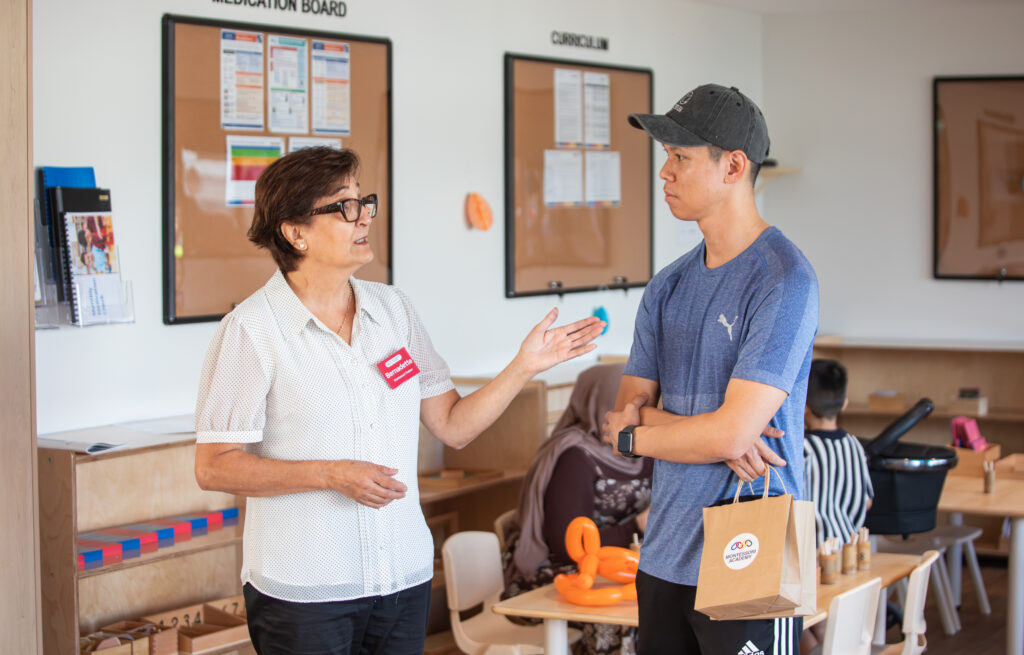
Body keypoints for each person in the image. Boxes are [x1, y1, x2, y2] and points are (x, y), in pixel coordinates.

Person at [192, 146, 605, 655]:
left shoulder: (393, 311)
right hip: (306, 591)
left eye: (363, 201)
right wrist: (329, 474)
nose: (364, 216)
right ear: (295, 232)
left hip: (402, 578)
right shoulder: (252, 330)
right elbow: (214, 467)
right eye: (344, 206)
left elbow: (452, 425)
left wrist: (524, 365)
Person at [601, 84, 819, 654]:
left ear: (734, 167)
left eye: (680, 157)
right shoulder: (667, 285)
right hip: (664, 553)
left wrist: (640, 434)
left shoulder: (784, 279)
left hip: (754, 552)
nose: (664, 172)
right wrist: (715, 435)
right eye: (666, 156)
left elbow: (650, 428)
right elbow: (622, 413)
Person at [502, 362, 653, 655]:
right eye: (626, 403)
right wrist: (637, 527)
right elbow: (566, 547)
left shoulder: (641, 446)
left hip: (617, 565)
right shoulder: (574, 458)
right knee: (623, 614)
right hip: (559, 573)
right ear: (602, 404)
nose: (635, 413)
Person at [803, 359, 874, 545]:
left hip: (813, 549)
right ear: (844, 404)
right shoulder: (855, 445)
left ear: (803, 405)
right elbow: (867, 502)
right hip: (848, 545)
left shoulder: (803, 448)